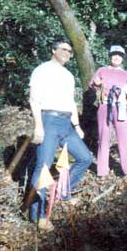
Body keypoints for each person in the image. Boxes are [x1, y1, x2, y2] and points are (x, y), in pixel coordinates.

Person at [28, 39, 94, 231]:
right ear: (53, 50)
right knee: (44, 168)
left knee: (85, 158)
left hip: (67, 124)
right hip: (49, 121)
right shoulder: (42, 70)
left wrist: (77, 125)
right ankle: (38, 216)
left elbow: (71, 102)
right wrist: (38, 126)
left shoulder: (69, 75)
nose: (67, 53)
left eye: (70, 51)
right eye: (64, 49)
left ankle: (64, 192)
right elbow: (34, 100)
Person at [89, 45, 127, 179]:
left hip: (120, 107)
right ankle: (102, 171)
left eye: (119, 55)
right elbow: (93, 85)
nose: (116, 57)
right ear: (110, 56)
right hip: (105, 105)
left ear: (122, 58)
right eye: (114, 55)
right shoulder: (102, 70)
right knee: (103, 136)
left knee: (125, 137)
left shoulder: (126, 74)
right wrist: (97, 83)